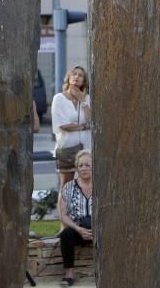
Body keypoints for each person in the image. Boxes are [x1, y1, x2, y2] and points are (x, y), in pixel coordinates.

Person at [51, 65, 91, 189]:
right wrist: (84, 127)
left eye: (80, 75)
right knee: (66, 186)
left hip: (86, 148)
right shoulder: (59, 99)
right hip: (67, 147)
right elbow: (63, 125)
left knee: (86, 185)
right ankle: (63, 208)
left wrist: (83, 101)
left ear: (84, 81)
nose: (77, 77)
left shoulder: (87, 99)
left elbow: (92, 120)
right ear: (68, 78)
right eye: (74, 74)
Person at [58, 150, 93, 286]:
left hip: (99, 228)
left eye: (87, 165)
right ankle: (69, 274)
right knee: (66, 234)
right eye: (80, 165)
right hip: (77, 229)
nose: (83, 168)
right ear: (77, 168)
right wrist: (79, 230)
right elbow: (63, 215)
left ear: (94, 166)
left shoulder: (102, 185)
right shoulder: (68, 187)